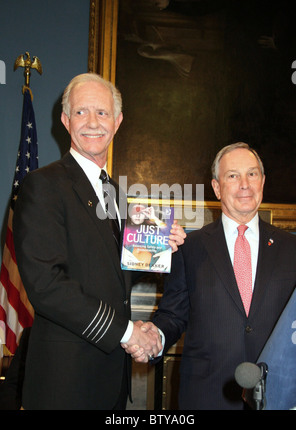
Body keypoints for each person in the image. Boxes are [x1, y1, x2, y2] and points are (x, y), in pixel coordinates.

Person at [12, 73, 186, 410]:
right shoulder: (42, 185)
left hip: (111, 380)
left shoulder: (117, 197)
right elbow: (46, 285)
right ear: (65, 120)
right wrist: (127, 333)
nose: (93, 122)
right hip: (64, 384)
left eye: (103, 113)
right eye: (81, 112)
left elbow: (113, 274)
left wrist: (159, 246)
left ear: (118, 121)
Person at [127, 142, 296, 409]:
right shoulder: (189, 247)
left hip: (278, 395)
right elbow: (173, 315)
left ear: (262, 182)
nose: (244, 184)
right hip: (207, 396)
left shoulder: (294, 250)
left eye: (252, 174)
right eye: (233, 176)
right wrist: (154, 338)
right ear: (217, 187)